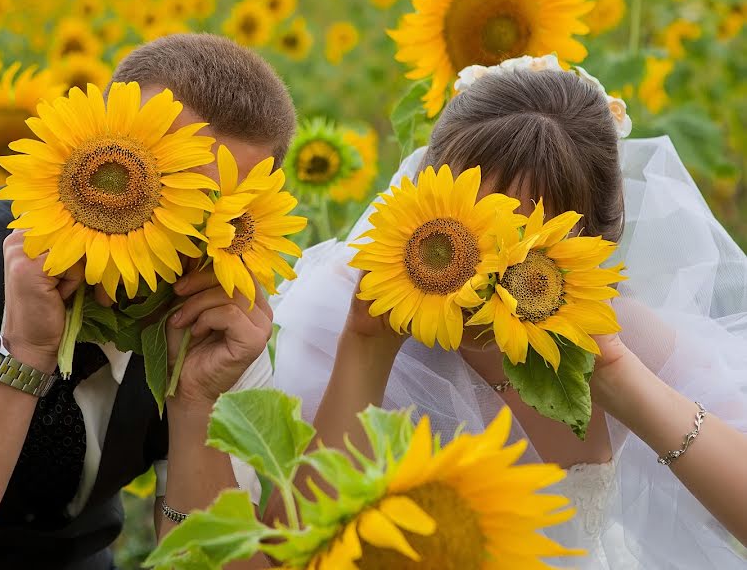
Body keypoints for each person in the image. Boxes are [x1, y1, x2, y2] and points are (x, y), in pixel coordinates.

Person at [272, 63, 747, 568]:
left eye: (523, 248)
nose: (485, 278)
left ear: (593, 248)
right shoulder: (339, 321)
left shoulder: (621, 337)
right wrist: (365, 346)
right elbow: (292, 552)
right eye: (465, 237)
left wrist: (615, 376)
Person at [0, 33, 293, 569]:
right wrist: (23, 354)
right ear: (97, 150)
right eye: (160, 186)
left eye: (213, 220)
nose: (179, 236)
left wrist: (197, 405)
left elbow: (212, 562)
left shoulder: (227, 321)